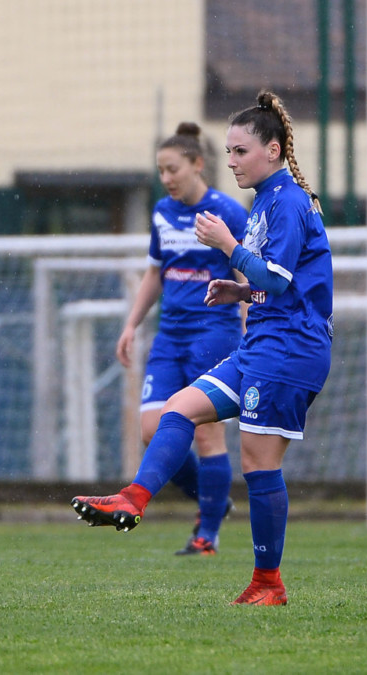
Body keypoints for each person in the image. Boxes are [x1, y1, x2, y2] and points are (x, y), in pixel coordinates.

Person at [73, 90, 333, 606]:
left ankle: (268, 583)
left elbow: (279, 281)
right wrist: (240, 288)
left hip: (291, 349)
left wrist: (228, 248)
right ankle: (134, 497)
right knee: (177, 409)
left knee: (258, 465)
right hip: (264, 341)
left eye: (240, 152)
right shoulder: (266, 200)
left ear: (274, 151)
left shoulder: (287, 202)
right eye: (229, 151)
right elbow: (277, 281)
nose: (231, 161)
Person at [115, 122, 247, 556]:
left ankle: (206, 535)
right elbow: (156, 272)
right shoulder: (161, 213)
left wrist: (250, 324)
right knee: (152, 429)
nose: (166, 178)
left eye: (173, 169)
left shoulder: (227, 211)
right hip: (170, 335)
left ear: (197, 165)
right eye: (161, 170)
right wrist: (132, 323)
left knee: (206, 435)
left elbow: (246, 270)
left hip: (214, 331)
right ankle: (213, 502)